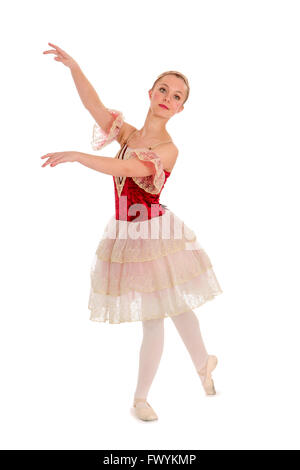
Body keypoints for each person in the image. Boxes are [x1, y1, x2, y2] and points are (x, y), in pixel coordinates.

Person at [41, 43, 223, 422]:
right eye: (163, 89)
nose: (167, 98)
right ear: (151, 92)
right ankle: (204, 362)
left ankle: (140, 398)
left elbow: (123, 170)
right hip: (128, 233)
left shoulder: (168, 149)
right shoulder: (130, 134)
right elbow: (94, 105)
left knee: (157, 314)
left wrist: (78, 155)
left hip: (155, 236)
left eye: (176, 96)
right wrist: (74, 66)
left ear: (181, 108)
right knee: (173, 306)